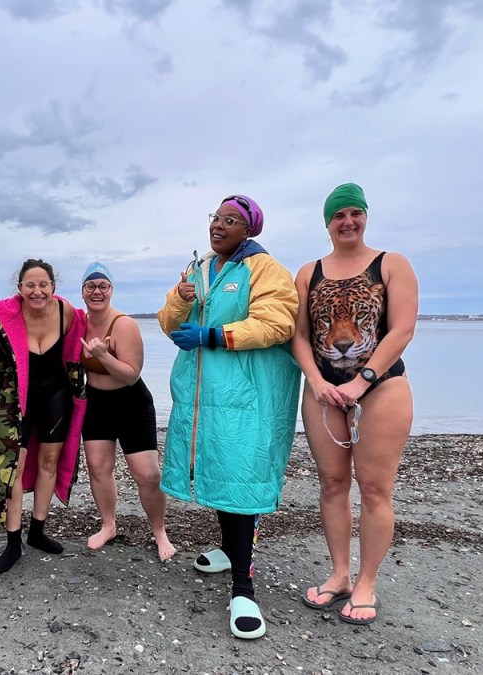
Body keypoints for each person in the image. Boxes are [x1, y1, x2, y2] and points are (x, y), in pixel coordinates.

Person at [157, 195, 301, 639]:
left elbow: (278, 324)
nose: (218, 226)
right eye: (216, 218)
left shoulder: (265, 270)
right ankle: (226, 549)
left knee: (241, 478)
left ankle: (244, 589)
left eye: (230, 220)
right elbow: (166, 322)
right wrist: (182, 301)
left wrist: (215, 334)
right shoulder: (199, 269)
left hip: (247, 397)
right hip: (205, 397)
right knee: (218, 471)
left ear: (249, 229)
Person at [291, 183, 417, 626]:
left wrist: (362, 381)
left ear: (364, 216)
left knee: (375, 489)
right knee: (331, 484)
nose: (347, 222)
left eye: (354, 213)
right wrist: (315, 379)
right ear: (327, 222)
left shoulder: (391, 264)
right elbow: (301, 335)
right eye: (338, 215)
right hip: (323, 391)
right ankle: (340, 574)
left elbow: (401, 330)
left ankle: (367, 582)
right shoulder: (309, 272)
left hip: (381, 388)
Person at [0, 259, 87, 573]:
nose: (37, 291)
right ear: (20, 288)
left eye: (43, 285)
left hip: (56, 396)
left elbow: (80, 352)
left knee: (49, 461)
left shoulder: (67, 314)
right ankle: (13, 542)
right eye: (30, 285)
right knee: (14, 466)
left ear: (53, 286)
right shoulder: (4, 317)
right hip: (16, 401)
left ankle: (37, 531)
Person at [78, 262, 177, 561]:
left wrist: (103, 356)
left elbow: (131, 375)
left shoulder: (124, 325)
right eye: (91, 286)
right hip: (96, 403)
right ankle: (108, 525)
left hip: (132, 403)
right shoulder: (78, 323)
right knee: (98, 467)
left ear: (111, 290)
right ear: (83, 292)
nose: (97, 291)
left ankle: (159, 531)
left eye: (103, 286)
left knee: (147, 474)